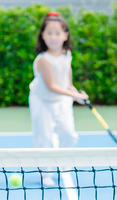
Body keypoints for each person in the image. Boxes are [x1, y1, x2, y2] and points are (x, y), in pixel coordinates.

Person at [29, 12, 88, 185]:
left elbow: (66, 76)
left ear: (65, 35)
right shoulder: (43, 60)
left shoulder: (66, 54)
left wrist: (74, 90)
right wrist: (76, 96)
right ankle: (45, 172)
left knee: (69, 134)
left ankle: (63, 160)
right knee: (44, 138)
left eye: (57, 33)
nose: (53, 37)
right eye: (49, 33)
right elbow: (52, 86)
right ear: (42, 35)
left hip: (62, 100)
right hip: (42, 101)